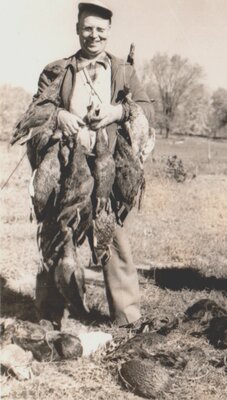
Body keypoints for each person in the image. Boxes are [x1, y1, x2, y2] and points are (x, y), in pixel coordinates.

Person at [12, 0, 154, 330]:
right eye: (87, 28)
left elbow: (147, 108)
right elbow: (38, 108)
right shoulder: (56, 69)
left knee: (113, 239)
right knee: (58, 235)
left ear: (109, 32)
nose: (93, 35)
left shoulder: (123, 71)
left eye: (100, 30)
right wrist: (58, 115)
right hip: (64, 163)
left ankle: (127, 316)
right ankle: (50, 316)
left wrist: (117, 112)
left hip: (108, 168)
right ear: (77, 29)